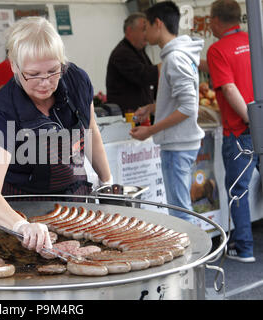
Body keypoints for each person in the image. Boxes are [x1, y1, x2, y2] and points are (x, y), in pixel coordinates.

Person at [0, 17, 112, 254]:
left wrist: (107, 182)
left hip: (75, 204)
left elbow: (90, 132)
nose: (45, 83)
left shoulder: (77, 81)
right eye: (33, 74)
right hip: (24, 210)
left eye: (53, 71)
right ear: (15, 67)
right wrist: (21, 226)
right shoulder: (5, 111)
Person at [130, 1, 205, 224]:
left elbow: (188, 108)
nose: (144, 34)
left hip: (177, 144)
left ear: (158, 24)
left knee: (180, 212)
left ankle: (196, 259)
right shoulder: (177, 55)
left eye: (146, 27)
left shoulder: (174, 58)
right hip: (180, 143)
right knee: (181, 209)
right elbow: (181, 100)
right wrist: (153, 108)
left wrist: (151, 130)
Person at [207, 0, 259, 263]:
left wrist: (251, 120)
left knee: (239, 190)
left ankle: (245, 248)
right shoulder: (256, 40)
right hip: (257, 123)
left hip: (241, 131)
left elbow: (229, 88)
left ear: (216, 20)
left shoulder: (217, 50)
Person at [105, 12, 159, 116]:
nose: (147, 33)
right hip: (128, 117)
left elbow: (153, 81)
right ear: (130, 31)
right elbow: (144, 76)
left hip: (141, 115)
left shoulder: (139, 51)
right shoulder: (122, 53)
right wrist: (166, 65)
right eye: (144, 29)